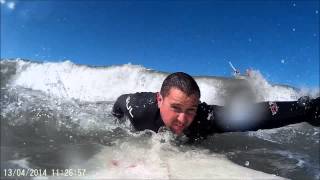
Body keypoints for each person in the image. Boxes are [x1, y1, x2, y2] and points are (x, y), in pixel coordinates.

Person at [112, 72, 319, 142]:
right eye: (175, 108)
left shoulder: (203, 119)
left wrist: (307, 110)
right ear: (159, 100)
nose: (183, 119)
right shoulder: (139, 109)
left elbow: (256, 116)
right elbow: (120, 101)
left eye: (190, 110)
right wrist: (116, 121)